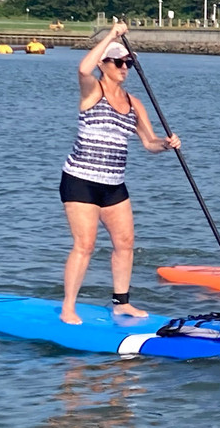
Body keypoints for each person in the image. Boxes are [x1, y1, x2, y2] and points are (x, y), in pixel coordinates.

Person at [59, 22, 180, 324]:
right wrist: (111, 36)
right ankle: (68, 307)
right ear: (104, 64)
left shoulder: (134, 103)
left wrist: (166, 144)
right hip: (81, 181)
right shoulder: (93, 90)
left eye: (129, 63)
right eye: (118, 62)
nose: (125, 67)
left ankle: (121, 303)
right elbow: (82, 69)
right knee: (85, 245)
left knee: (125, 244)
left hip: (114, 185)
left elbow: (149, 143)